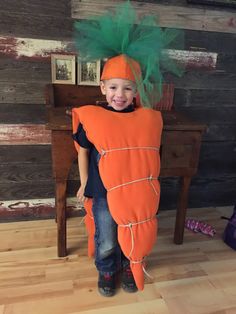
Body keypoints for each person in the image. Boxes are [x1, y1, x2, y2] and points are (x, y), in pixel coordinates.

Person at [72, 1, 184, 297]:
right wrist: (84, 182)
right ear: (102, 87)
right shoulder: (93, 118)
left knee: (133, 231)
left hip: (135, 191)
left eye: (127, 88)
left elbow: (149, 155)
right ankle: (108, 269)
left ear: (137, 91)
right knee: (107, 235)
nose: (119, 95)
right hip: (103, 190)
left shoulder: (146, 120)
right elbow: (83, 150)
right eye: (113, 87)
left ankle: (131, 263)